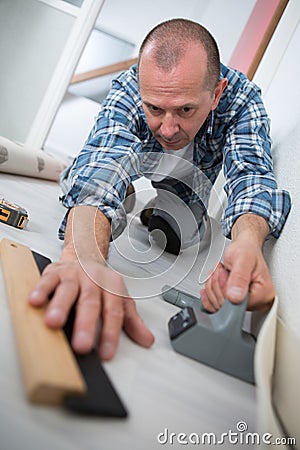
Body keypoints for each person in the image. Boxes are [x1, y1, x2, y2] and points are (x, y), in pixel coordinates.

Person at [29, 18, 291, 361]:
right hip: (130, 159)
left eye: (185, 109)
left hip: (188, 180)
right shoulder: (129, 86)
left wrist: (247, 243)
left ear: (216, 93)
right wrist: (82, 257)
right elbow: (103, 165)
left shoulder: (242, 101)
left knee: (174, 235)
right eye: (154, 108)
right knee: (87, 187)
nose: (167, 129)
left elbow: (251, 175)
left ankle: (151, 207)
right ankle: (119, 197)